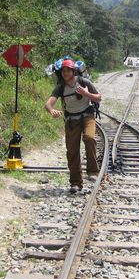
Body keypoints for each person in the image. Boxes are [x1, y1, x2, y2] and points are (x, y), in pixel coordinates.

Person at [45, 59, 102, 193]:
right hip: (71, 120)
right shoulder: (60, 87)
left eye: (68, 71)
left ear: (73, 71)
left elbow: (98, 97)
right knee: (72, 152)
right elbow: (48, 104)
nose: (65, 73)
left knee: (89, 138)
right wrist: (52, 110)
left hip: (87, 116)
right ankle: (75, 183)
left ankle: (93, 171)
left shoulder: (84, 82)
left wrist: (86, 94)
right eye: (63, 71)